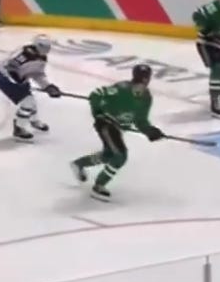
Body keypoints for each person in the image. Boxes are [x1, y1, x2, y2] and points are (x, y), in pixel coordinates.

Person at [71, 64, 165, 201]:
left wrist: (150, 131)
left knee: (109, 155)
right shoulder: (121, 88)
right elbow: (96, 94)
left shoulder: (146, 98)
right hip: (106, 123)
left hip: (116, 127)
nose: (144, 81)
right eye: (142, 78)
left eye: (145, 78)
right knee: (120, 155)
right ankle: (99, 186)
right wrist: (98, 112)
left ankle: (79, 164)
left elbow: (140, 121)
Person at [0, 34, 62, 141]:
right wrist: (16, 80)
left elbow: (38, 74)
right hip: (5, 79)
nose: (46, 50)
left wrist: (48, 86)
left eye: (48, 47)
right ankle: (19, 128)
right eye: (44, 47)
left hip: (21, 79)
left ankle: (34, 121)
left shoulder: (42, 58)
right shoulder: (23, 54)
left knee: (31, 102)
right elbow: (9, 68)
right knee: (27, 103)